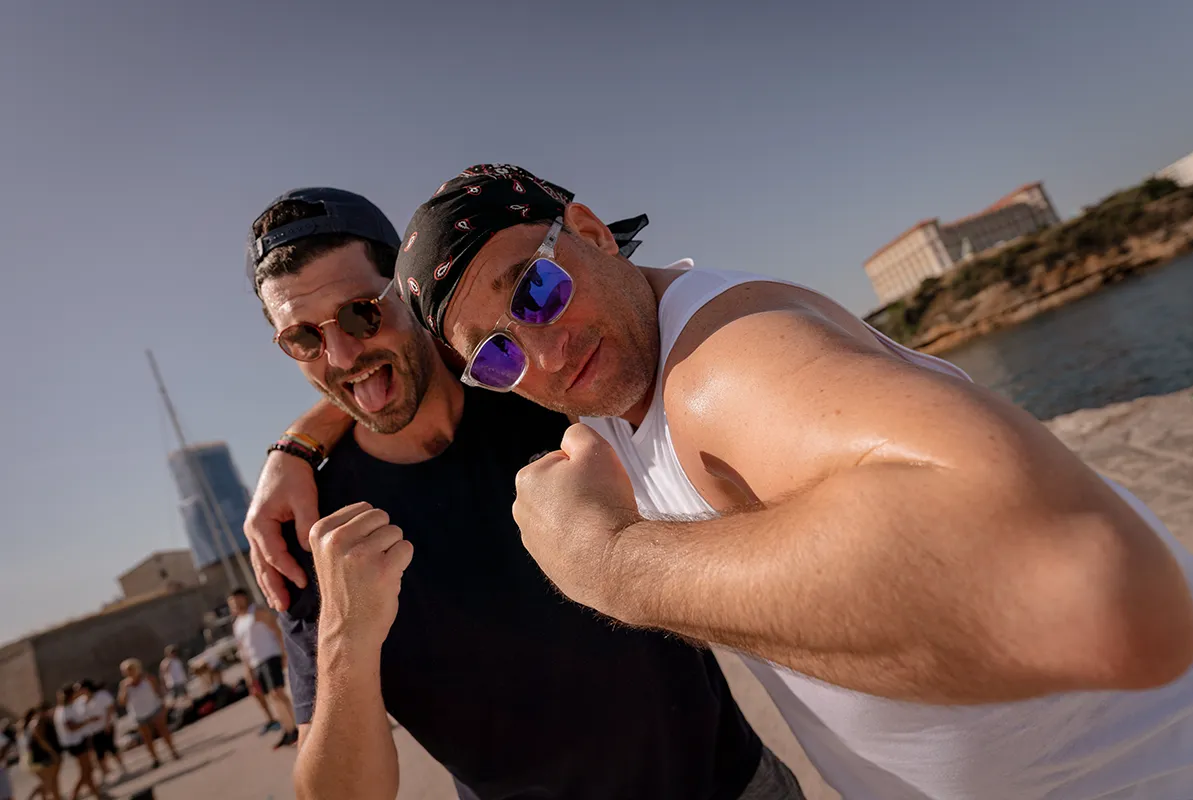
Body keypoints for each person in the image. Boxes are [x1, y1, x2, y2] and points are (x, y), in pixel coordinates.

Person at [263, 164, 1193, 798]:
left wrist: (608, 560)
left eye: (538, 288)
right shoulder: (547, 395)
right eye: (499, 350)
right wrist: (302, 467)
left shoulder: (689, 363)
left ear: (591, 232)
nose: (540, 346)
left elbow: (1097, 595)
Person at [241, 188, 798, 799]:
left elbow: (636, 307)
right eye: (301, 340)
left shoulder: (533, 378)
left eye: (360, 313)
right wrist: (346, 637)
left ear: (406, 291)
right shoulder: (307, 532)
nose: (340, 353)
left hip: (733, 783)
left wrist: (295, 440)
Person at [226, 589, 297, 749]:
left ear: (244, 598)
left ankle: (295, 726)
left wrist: (284, 652)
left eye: (237, 600)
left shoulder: (256, 613)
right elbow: (243, 650)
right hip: (256, 663)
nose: (235, 605)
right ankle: (287, 729)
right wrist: (248, 671)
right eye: (232, 603)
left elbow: (277, 630)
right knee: (272, 697)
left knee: (278, 693)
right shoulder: (237, 624)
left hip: (270, 656)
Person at [117, 659, 179, 769]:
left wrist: (164, 706)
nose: (129, 672)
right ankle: (155, 758)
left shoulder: (148, 678)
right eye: (127, 671)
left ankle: (173, 751)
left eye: (131, 669)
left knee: (163, 731)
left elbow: (159, 692)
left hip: (154, 708)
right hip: (138, 714)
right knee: (147, 737)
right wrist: (125, 690)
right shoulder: (124, 685)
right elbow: (122, 701)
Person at [52, 687, 105, 800]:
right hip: (76, 743)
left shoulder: (67, 707)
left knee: (88, 770)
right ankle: (75, 795)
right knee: (86, 770)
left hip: (78, 741)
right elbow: (71, 727)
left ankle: (96, 794)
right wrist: (88, 721)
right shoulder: (65, 710)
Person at [76, 683, 124, 782]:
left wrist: (107, 724)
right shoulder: (80, 702)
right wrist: (89, 720)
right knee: (99, 754)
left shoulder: (101, 695)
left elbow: (110, 708)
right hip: (93, 731)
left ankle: (122, 767)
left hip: (105, 726)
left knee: (111, 748)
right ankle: (106, 773)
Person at [20, 707, 61, 800]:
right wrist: (52, 752)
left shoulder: (25, 727)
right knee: (49, 783)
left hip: (32, 758)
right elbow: (41, 741)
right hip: (40, 758)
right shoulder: (34, 724)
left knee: (47, 782)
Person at [158, 647, 190, 712]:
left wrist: (185, 677)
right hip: (173, 683)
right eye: (172, 652)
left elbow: (181, 670)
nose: (174, 654)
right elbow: (163, 672)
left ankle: (190, 706)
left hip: (180, 681)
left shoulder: (177, 660)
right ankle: (170, 710)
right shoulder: (166, 662)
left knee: (186, 695)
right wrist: (163, 684)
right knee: (174, 698)